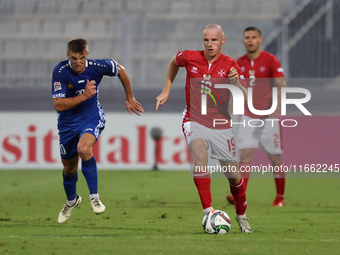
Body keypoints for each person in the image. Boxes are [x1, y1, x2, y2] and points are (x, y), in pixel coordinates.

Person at [156, 24, 252, 233]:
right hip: (194, 119)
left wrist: (237, 84)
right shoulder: (190, 57)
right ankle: (208, 212)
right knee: (199, 155)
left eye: (214, 40)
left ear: (222, 41)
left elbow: (246, 98)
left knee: (234, 176)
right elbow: (174, 61)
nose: (210, 44)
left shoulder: (230, 65)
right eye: (206, 40)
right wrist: (166, 90)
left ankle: (241, 216)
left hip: (221, 124)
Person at [52, 38, 143, 223]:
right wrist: (84, 96)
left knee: (84, 149)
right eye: (75, 58)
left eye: (82, 58)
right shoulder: (60, 71)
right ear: (68, 55)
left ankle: (94, 196)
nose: (79, 62)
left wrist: (130, 96)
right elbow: (59, 105)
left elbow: (120, 70)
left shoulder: (96, 66)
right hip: (67, 124)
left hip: (91, 117)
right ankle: (72, 201)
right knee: (69, 168)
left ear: (87, 55)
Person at [226, 27, 287, 207]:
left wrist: (276, 107)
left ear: (260, 40)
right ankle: (240, 195)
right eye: (247, 37)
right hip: (248, 115)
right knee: (245, 154)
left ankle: (280, 197)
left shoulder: (270, 60)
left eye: (254, 37)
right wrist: (230, 108)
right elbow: (235, 87)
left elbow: (281, 84)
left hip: (268, 116)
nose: (250, 40)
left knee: (275, 157)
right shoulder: (239, 62)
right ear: (243, 41)